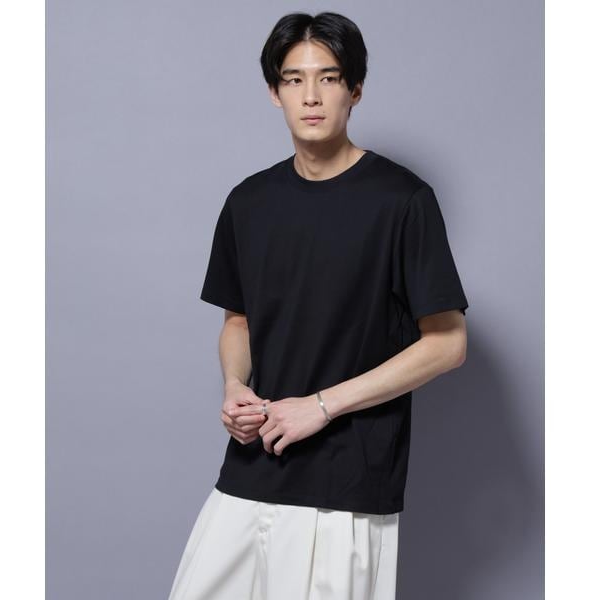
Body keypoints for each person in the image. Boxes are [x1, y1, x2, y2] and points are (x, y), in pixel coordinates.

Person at [167, 10, 469, 600]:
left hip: (347, 483)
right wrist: (234, 386)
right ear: (274, 92)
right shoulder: (248, 202)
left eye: (328, 78)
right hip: (255, 462)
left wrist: (322, 407)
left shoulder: (403, 200)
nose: (311, 95)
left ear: (355, 89)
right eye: (294, 79)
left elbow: (448, 343)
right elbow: (239, 321)